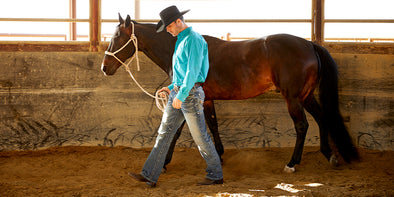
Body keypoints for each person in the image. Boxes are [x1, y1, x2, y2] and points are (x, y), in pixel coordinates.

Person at [128, 5, 224, 187]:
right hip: (180, 93)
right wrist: (170, 87)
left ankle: (215, 175)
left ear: (178, 21)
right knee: (164, 133)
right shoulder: (181, 40)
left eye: (169, 27)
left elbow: (193, 71)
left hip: (190, 95)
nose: (168, 30)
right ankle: (149, 174)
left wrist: (181, 94)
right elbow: (181, 73)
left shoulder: (194, 40)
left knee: (201, 137)